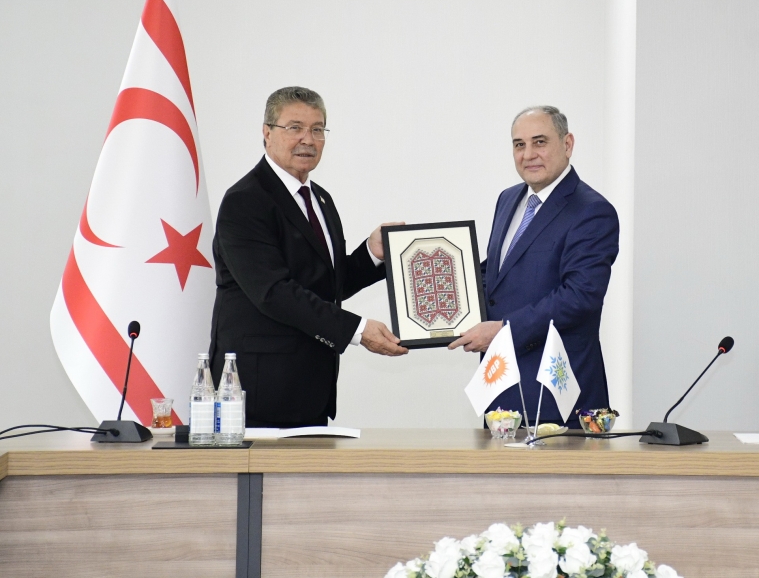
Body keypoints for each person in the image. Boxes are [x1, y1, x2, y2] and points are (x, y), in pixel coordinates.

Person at [209, 86, 407, 427]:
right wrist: (357, 330)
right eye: (295, 127)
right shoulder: (245, 200)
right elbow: (273, 292)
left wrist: (372, 253)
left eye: (318, 129)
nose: (308, 139)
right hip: (257, 393)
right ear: (267, 133)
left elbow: (325, 284)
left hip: (310, 390)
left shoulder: (320, 199)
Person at [449, 106, 619, 426]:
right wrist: (443, 300)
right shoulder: (508, 199)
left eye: (540, 142)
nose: (528, 154)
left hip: (555, 396)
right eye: (519, 144)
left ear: (567, 144)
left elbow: (580, 297)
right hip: (501, 392)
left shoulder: (592, 211)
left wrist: (503, 331)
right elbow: (496, 275)